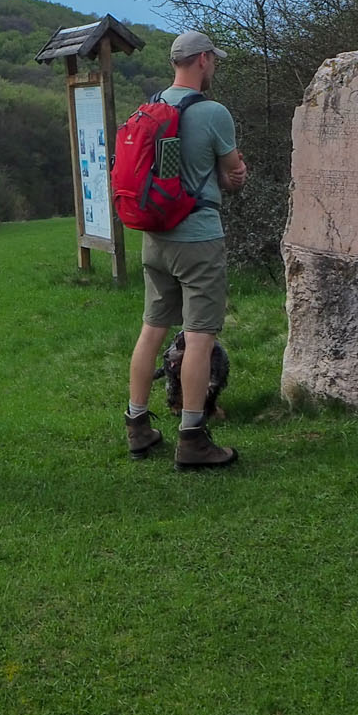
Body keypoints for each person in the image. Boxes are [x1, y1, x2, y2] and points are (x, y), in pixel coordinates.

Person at [125, 31, 250, 469]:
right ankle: (193, 437)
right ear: (201, 60)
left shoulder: (150, 107)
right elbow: (233, 171)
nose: (214, 66)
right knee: (199, 337)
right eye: (213, 59)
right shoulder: (213, 113)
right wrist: (233, 176)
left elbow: (163, 172)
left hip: (155, 237)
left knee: (152, 328)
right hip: (197, 237)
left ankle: (137, 425)